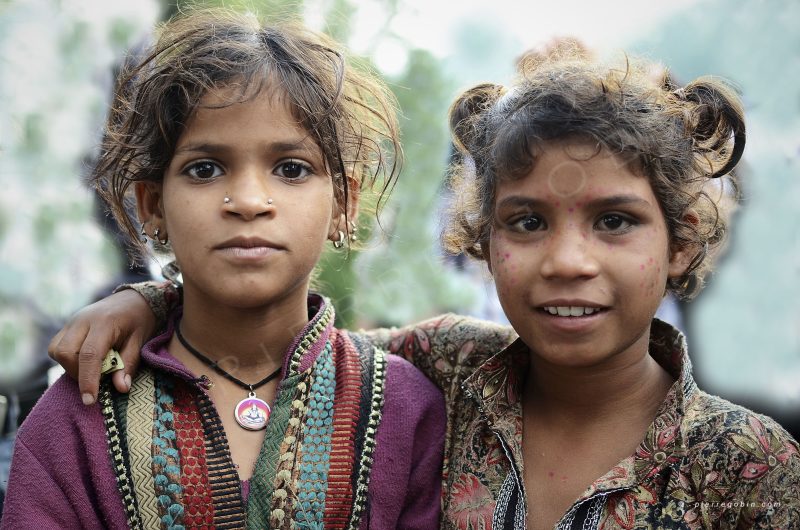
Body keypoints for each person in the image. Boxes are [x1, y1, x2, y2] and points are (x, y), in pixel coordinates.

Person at [45, 45, 800, 528]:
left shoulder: (746, 463)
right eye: (528, 222)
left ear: (681, 244)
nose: (568, 261)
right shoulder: (449, 368)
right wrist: (145, 300)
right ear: (484, 240)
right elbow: (272, 340)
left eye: (614, 222)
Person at [0, 8, 447, 530]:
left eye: (291, 169)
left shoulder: (404, 408)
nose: (249, 201)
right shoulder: (78, 418)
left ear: (344, 204)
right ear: (153, 206)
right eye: (205, 169)